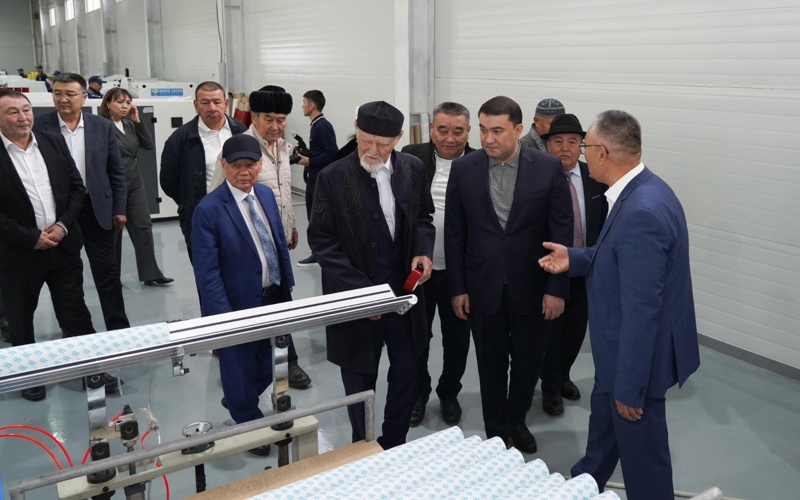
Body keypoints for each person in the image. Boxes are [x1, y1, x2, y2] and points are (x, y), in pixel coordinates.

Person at [538, 110, 700, 499]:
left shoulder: (642, 211)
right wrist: (574, 258)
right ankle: (582, 486)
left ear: (603, 153)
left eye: (586, 146)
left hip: (634, 364)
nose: (582, 154)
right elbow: (619, 256)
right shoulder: (644, 190)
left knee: (644, 464)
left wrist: (630, 387)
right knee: (602, 440)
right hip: (617, 358)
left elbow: (643, 310)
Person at [445, 96, 572, 453]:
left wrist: (556, 289)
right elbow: (455, 234)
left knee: (529, 362)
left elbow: (560, 232)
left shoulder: (547, 168)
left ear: (518, 130)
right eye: (483, 130)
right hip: (482, 286)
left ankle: (517, 419)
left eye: (497, 131)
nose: (488, 139)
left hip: (533, 286)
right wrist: (458, 288)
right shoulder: (464, 169)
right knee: (490, 363)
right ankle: (497, 430)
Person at [308, 101, 435, 450]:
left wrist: (422, 251)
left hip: (403, 297)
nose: (373, 150)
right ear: (356, 130)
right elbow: (322, 242)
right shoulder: (332, 177)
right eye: (365, 140)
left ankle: (394, 442)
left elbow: (423, 218)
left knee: (408, 370)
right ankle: (361, 445)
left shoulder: (412, 169)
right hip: (356, 300)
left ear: (398, 138)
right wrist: (363, 294)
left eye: (383, 143)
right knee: (359, 380)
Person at [192, 134, 295, 456]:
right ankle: (248, 423)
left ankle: (240, 397)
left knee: (268, 362)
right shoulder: (209, 210)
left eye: (250, 164)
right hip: (235, 304)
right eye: (236, 165)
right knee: (238, 364)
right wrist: (223, 318)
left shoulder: (264, 195)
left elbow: (277, 242)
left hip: (272, 294)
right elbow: (207, 272)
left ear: (260, 166)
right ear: (224, 165)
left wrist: (287, 283)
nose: (244, 171)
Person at [208, 85, 311, 389]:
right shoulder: (238, 151)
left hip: (275, 243)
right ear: (253, 117)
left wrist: (290, 226)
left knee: (281, 301)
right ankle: (246, 367)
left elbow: (282, 193)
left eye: (282, 120)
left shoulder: (283, 149)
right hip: (244, 247)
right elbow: (216, 197)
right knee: (248, 306)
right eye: (269, 119)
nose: (276, 126)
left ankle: (287, 362)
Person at [0, 90, 96, 401]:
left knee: (75, 310)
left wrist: (63, 225)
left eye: (26, 110)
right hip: (18, 253)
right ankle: (28, 375)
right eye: (13, 111)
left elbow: (77, 189)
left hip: (62, 245)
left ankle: (90, 369)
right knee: (20, 317)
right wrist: (32, 237)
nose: (22, 117)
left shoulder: (52, 142)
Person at [34, 73, 130, 340]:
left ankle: (119, 329)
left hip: (97, 209)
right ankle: (75, 330)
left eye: (70, 94)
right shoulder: (40, 126)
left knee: (107, 273)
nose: (63, 99)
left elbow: (116, 171)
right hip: (61, 213)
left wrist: (119, 208)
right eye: (57, 93)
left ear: (84, 97)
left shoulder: (102, 126)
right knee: (66, 278)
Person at [400, 101, 475, 428]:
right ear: (431, 129)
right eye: (442, 129)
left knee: (457, 339)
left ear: (468, 131)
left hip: (461, 275)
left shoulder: (479, 163)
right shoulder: (411, 157)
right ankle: (419, 392)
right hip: (419, 272)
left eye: (458, 131)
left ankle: (449, 392)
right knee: (417, 338)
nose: (449, 138)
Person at [537, 114, 608, 417]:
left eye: (572, 141)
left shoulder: (594, 177)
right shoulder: (536, 179)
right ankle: (550, 387)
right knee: (550, 333)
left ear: (581, 146)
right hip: (548, 269)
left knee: (576, 330)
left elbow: (604, 220)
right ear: (548, 145)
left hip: (584, 267)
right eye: (558, 141)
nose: (565, 147)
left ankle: (563, 374)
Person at [160, 81, 247, 263]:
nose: (212, 108)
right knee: (206, 269)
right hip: (201, 215)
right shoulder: (180, 139)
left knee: (240, 266)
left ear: (226, 103)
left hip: (239, 212)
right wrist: (191, 203)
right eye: (205, 102)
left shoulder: (240, 131)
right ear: (196, 105)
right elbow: (168, 181)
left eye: (217, 102)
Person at [100, 87, 173, 287]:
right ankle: (112, 276)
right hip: (113, 186)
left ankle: (151, 273)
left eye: (127, 102)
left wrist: (137, 121)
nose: (124, 106)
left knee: (143, 227)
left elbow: (147, 145)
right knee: (114, 232)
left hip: (134, 183)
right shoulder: (101, 126)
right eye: (119, 102)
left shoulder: (129, 125)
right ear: (108, 104)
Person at [295, 89, 338, 267]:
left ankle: (319, 254)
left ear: (312, 105)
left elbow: (332, 153)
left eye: (304, 102)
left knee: (316, 219)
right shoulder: (316, 125)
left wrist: (310, 161)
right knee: (313, 217)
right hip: (314, 179)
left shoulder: (322, 126)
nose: (302, 106)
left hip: (319, 181)